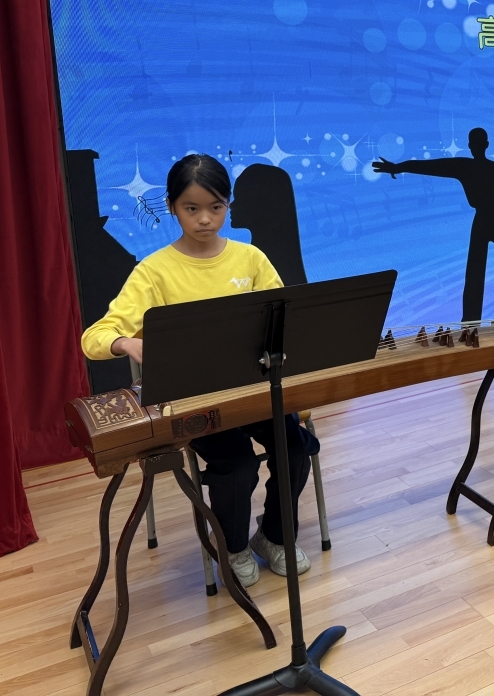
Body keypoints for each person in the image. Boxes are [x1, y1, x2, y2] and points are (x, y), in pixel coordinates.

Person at [81, 155, 318, 590]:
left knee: (296, 447)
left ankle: (274, 536)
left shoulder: (250, 259)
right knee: (237, 465)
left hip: (253, 389)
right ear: (173, 207)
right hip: (195, 398)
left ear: (228, 205)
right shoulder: (154, 271)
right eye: (192, 208)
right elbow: (94, 337)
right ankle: (232, 546)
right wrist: (127, 343)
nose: (205, 219)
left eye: (215, 207)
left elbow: (284, 317)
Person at [374, 128, 494, 322]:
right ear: (480, 145)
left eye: (477, 143)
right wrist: (398, 167)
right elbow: (430, 166)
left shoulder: (477, 167)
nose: (476, 146)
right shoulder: (472, 167)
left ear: (476, 146)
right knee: (480, 273)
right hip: (488, 220)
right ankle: (473, 323)